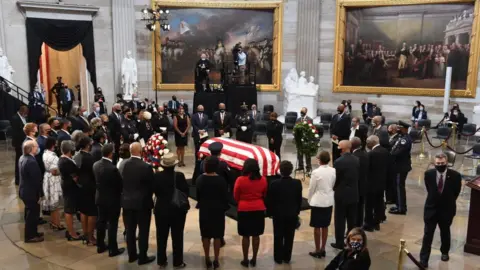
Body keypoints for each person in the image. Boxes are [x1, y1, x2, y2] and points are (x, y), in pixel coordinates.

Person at [419, 153, 462, 268]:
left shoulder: (455, 176)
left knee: (445, 232)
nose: (440, 165)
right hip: (431, 209)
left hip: (447, 210)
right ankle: (423, 259)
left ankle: (444, 252)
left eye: (442, 163)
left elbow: (456, 192)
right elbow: (429, 189)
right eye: (438, 163)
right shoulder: (428, 174)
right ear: (434, 163)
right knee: (428, 234)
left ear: (446, 163)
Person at [119, 142, 155, 265]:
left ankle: (132, 255)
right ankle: (142, 257)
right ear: (141, 151)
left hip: (127, 203)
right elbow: (151, 187)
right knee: (143, 231)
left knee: (130, 230)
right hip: (143, 204)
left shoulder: (123, 165)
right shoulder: (146, 167)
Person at [153, 153, 189, 268]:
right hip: (176, 210)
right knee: (177, 236)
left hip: (161, 210)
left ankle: (161, 260)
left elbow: (155, 191)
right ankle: (178, 261)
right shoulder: (179, 176)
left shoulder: (157, 176)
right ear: (174, 165)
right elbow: (186, 192)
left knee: (161, 236)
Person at [196, 156, 229, 269]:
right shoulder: (221, 180)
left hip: (205, 210)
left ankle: (206, 258)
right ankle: (216, 259)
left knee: (205, 235)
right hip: (218, 211)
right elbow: (225, 196)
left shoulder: (200, 179)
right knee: (217, 236)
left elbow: (198, 196)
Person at [266, 160, 302, 264]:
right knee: (289, 236)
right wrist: (297, 211)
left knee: (278, 235)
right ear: (291, 171)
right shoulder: (297, 183)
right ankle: (287, 257)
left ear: (280, 171)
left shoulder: (274, 183)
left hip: (278, 214)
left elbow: (270, 200)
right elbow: (299, 199)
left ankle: (278, 258)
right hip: (291, 213)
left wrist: (270, 212)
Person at [234, 159, 268, 267]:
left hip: (244, 209)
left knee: (245, 235)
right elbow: (264, 194)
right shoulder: (263, 180)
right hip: (258, 208)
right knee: (256, 235)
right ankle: (254, 258)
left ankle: (245, 259)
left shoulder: (240, 180)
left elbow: (236, 196)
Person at [93, 143, 125, 257]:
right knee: (112, 224)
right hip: (112, 200)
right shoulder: (112, 169)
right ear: (111, 154)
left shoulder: (96, 165)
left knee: (101, 222)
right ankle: (113, 249)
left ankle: (100, 246)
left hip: (100, 198)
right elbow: (120, 185)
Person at [331, 140, 359, 250]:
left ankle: (339, 242)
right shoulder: (356, 160)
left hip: (341, 194)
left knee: (340, 220)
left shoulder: (338, 162)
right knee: (352, 220)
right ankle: (352, 241)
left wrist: (334, 188)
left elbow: (336, 179)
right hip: (353, 193)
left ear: (342, 149)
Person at [308, 151, 336, 258]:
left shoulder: (316, 172)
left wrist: (310, 200)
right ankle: (323, 248)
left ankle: (317, 249)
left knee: (317, 227)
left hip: (318, 201)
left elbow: (311, 188)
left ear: (319, 160)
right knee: (325, 226)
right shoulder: (333, 170)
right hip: (328, 201)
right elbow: (332, 184)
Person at [73, 136, 97, 245]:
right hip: (89, 186)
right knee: (92, 212)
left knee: (83, 211)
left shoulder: (77, 155)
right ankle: (91, 237)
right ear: (88, 145)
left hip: (80, 185)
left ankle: (85, 234)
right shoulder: (89, 157)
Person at [19, 140, 44, 243]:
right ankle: (30, 236)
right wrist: (40, 194)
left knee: (30, 214)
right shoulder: (31, 161)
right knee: (32, 216)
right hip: (31, 193)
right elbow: (36, 180)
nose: (37, 148)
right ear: (32, 148)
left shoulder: (22, 157)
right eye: (36, 146)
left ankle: (33, 232)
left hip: (25, 191)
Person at [58, 140, 82, 241]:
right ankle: (71, 233)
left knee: (70, 209)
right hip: (70, 187)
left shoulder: (62, 159)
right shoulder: (66, 162)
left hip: (67, 185)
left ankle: (71, 231)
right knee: (69, 210)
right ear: (69, 150)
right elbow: (74, 177)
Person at [363, 135, 389, 231]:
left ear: (371, 143)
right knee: (379, 203)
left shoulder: (371, 154)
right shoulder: (385, 151)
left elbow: (367, 169)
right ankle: (376, 223)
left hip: (370, 184)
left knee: (369, 205)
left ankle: (368, 224)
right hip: (381, 183)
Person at [389, 121, 412, 215]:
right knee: (398, 186)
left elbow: (397, 152)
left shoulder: (405, 139)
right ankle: (399, 205)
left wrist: (390, 155)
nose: (398, 129)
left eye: (400, 128)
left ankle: (402, 208)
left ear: (405, 129)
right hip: (398, 165)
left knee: (400, 187)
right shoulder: (401, 137)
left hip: (401, 166)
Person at [42, 137, 64, 230]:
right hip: (53, 180)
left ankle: (54, 222)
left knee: (51, 202)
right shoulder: (53, 156)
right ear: (53, 144)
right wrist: (61, 171)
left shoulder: (45, 153)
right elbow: (55, 171)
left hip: (47, 177)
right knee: (55, 203)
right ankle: (56, 224)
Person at [351, 137, 368, 228]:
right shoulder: (365, 154)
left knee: (355, 208)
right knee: (361, 206)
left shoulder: (354, 157)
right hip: (363, 184)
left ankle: (355, 225)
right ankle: (360, 224)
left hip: (356, 185)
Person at [11, 105, 28, 185]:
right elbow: (16, 132)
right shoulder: (15, 118)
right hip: (18, 142)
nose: (26, 114)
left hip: (24, 142)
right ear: (21, 111)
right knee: (18, 160)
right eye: (25, 113)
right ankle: (17, 179)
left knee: (23, 160)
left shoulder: (25, 118)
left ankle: (23, 177)